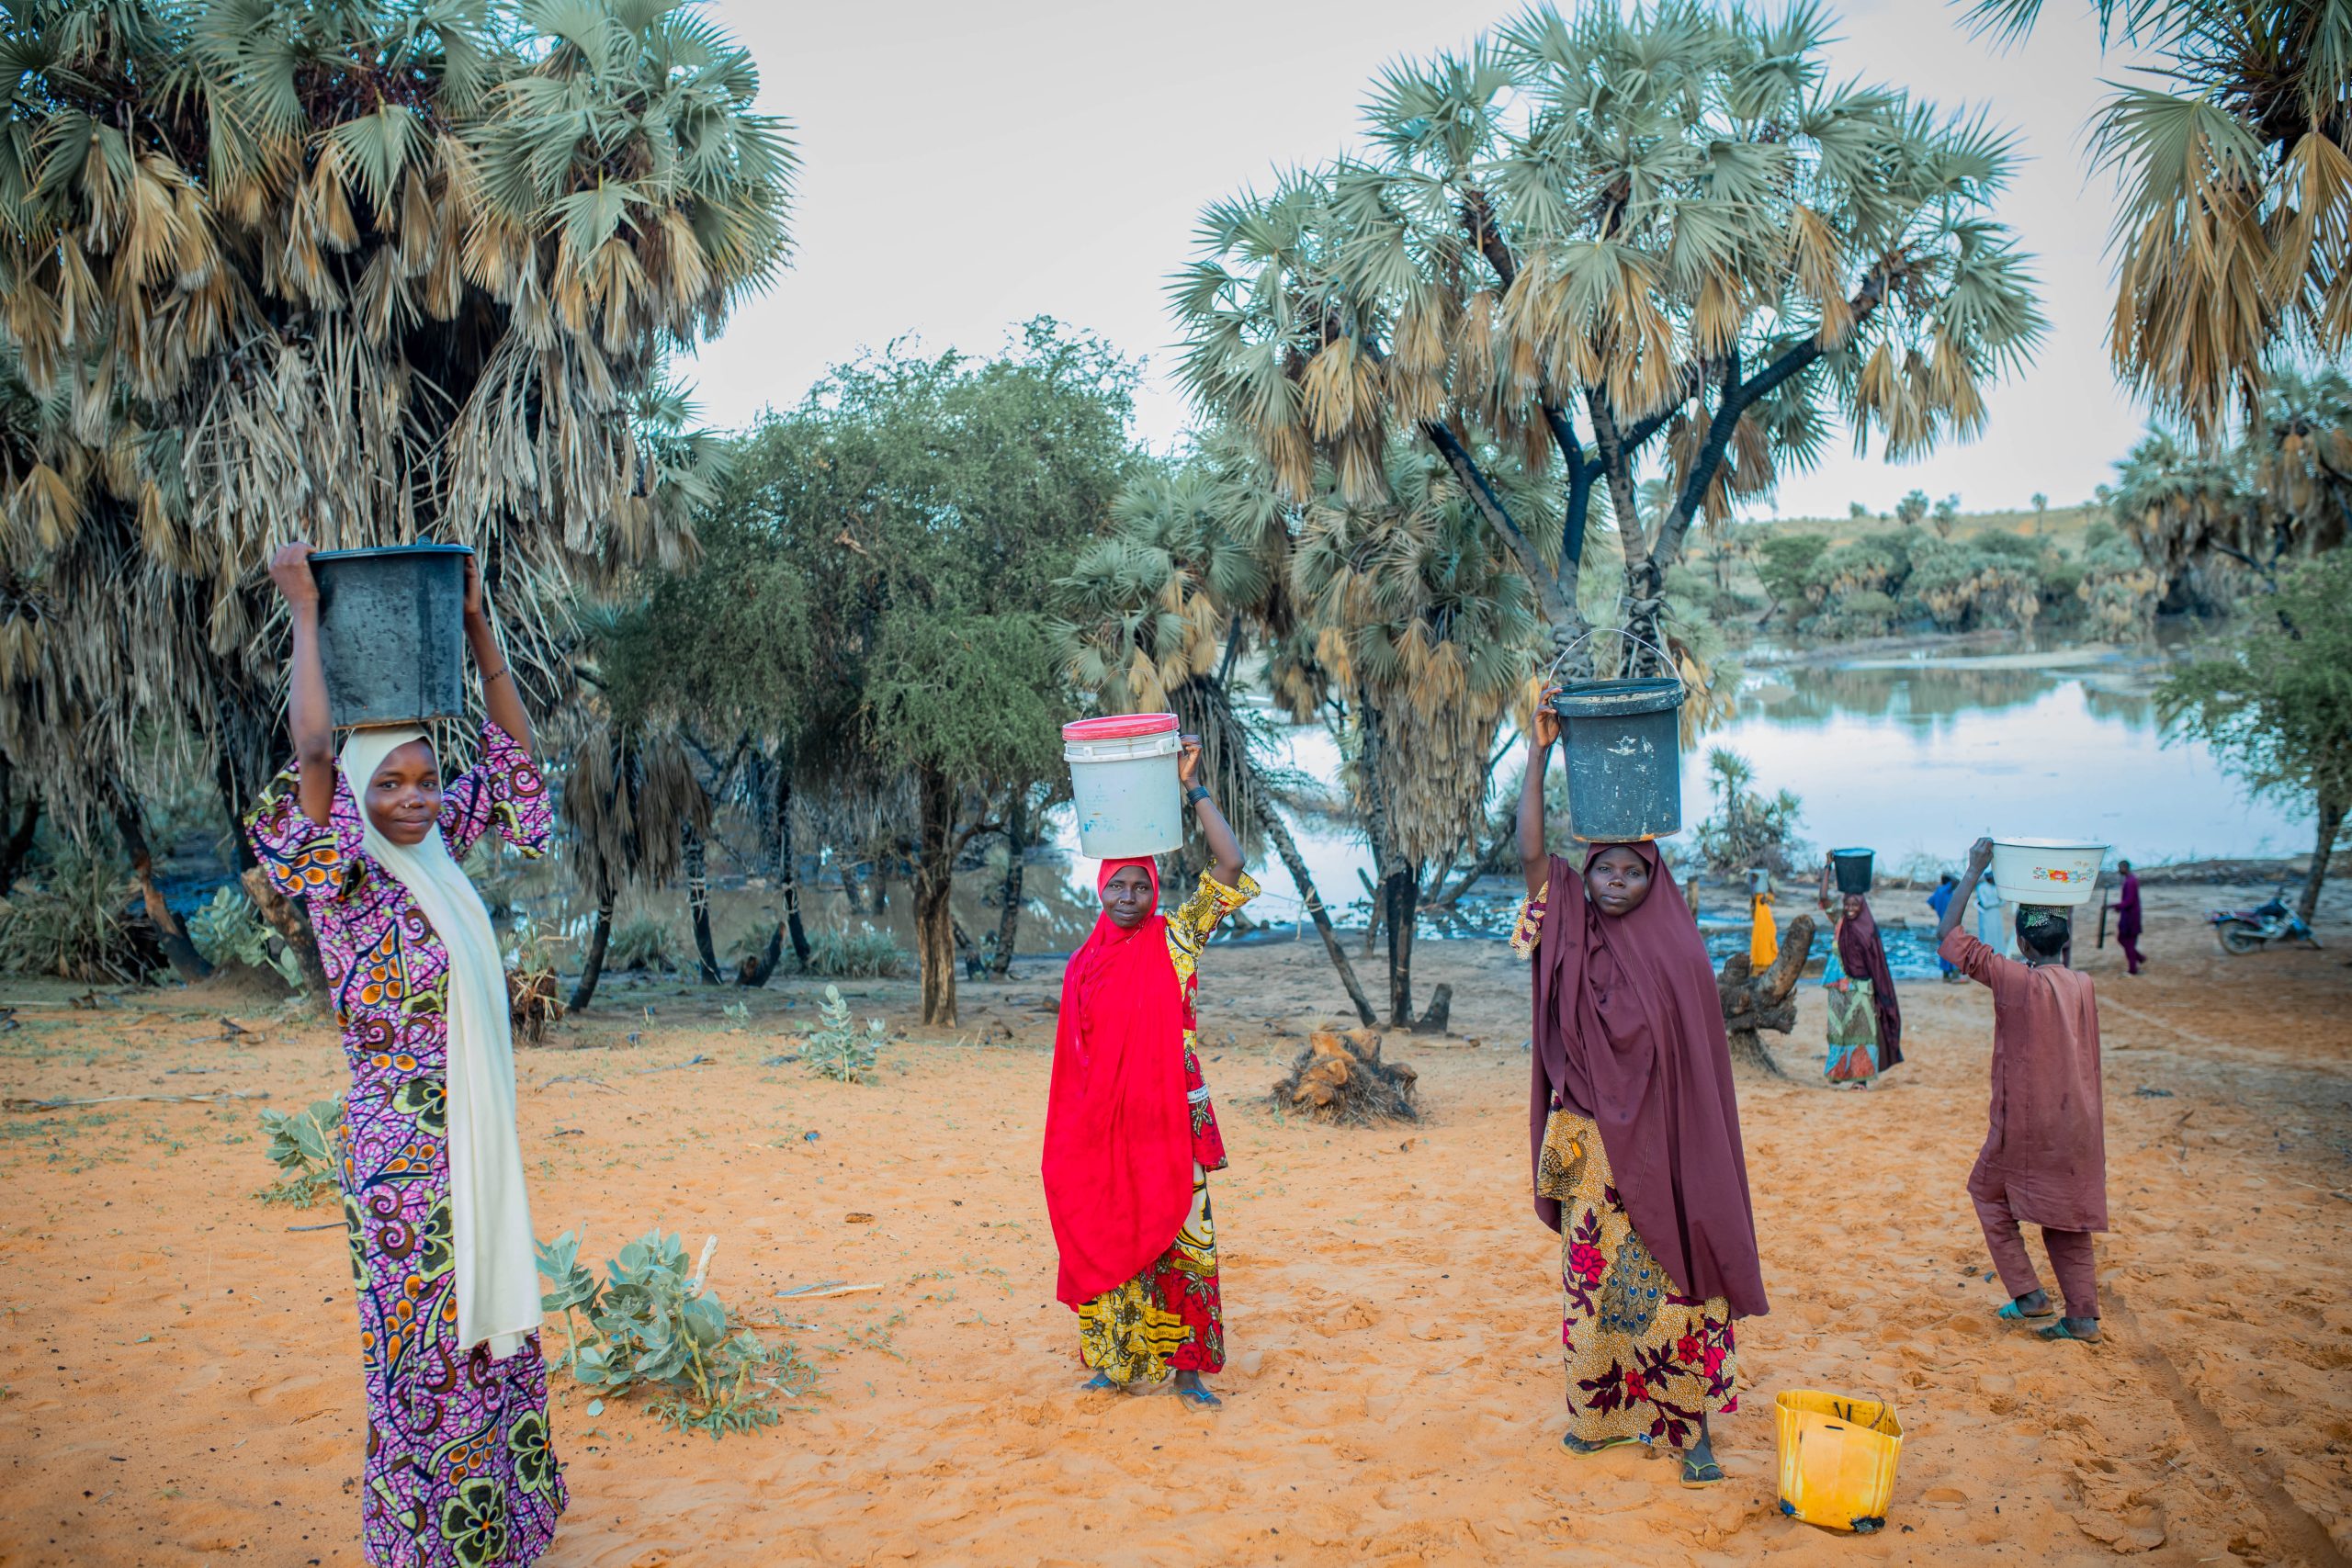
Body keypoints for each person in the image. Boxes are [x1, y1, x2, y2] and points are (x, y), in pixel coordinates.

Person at [246, 541, 563, 1566]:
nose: (417, 799)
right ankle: (431, 1539)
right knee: (425, 1349)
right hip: (402, 1161)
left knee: (487, 1338)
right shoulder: (349, 876)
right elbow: (313, 757)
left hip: (469, 1144)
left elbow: (519, 774)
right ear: (360, 797)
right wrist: (304, 614)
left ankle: (502, 1529)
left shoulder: (436, 850)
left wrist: (477, 626)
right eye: (394, 785)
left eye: (427, 779)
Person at [1510, 694, 1768, 1487]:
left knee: (1673, 1284)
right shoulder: (1567, 922)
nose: (1616, 881)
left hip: (1663, 1148)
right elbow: (1527, 854)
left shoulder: (1677, 948)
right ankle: (1598, 1417)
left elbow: (1695, 1069)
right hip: (1591, 1145)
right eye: (1604, 869)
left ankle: (1689, 1432)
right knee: (1592, 1289)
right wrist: (1539, 753)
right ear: (1585, 873)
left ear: (1654, 876)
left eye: (1631, 870)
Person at [1041, 738, 1257, 1407]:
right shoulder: (1083, 964)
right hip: (1106, 1126)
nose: (1129, 895)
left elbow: (1232, 863)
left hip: (1172, 1120)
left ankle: (1188, 1371)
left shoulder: (1177, 938)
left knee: (1185, 1241)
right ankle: (1114, 1360)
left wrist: (1190, 786)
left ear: (1154, 889)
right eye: (1117, 883)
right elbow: (1076, 1060)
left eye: (1140, 884)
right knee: (1109, 1229)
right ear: (1099, 887)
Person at [1937, 838, 2108, 1344]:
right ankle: (2082, 1317)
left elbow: (1949, 934)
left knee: (1986, 1192)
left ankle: (2030, 1294)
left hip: (2026, 1128)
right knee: (2066, 1216)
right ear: (2064, 941)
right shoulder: (2083, 985)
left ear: (2025, 945)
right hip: (2080, 1124)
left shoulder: (2015, 981)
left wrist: (1972, 869)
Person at [1816, 856, 1905, 1086]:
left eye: (1855, 905)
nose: (1850, 909)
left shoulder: (1868, 928)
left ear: (1862, 906)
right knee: (1837, 1030)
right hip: (1837, 984)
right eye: (1847, 905)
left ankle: (1861, 1080)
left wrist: (1878, 995)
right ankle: (1837, 1072)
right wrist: (1828, 868)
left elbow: (1876, 963)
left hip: (1863, 989)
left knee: (1862, 1033)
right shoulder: (1840, 922)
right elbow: (1824, 898)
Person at [2108, 860, 2144, 975]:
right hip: (2128, 915)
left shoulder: (2131, 881)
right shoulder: (2129, 880)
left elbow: (2129, 901)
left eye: (2119, 867)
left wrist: (2113, 906)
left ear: (2124, 867)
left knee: (2128, 941)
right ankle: (2138, 958)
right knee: (2125, 940)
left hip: (2131, 917)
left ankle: (2133, 968)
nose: (2118, 870)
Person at [1926, 874, 1960, 980]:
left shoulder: (1937, 892)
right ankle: (1955, 973)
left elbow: (1931, 903)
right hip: (1951, 924)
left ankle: (1945, 975)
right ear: (1949, 882)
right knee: (1954, 948)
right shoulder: (1946, 890)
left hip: (1941, 924)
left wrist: (1939, 909)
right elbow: (1957, 881)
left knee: (1944, 949)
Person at [1974, 870, 2016, 959]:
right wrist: (1997, 901)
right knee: (1987, 935)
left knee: (1998, 935)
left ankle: (1998, 956)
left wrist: (1996, 902)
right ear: (1988, 878)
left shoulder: (1997, 888)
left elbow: (2003, 902)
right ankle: (1985, 956)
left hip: (1996, 915)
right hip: (1986, 916)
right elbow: (1985, 904)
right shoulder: (1981, 887)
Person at [1747, 874, 1779, 970]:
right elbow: (1752, 898)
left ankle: (1768, 963)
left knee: (1768, 942)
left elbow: (1772, 896)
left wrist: (1766, 880)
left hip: (1768, 924)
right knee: (1760, 943)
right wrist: (1753, 884)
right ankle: (1761, 964)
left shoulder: (1765, 898)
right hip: (1759, 925)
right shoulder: (1755, 900)